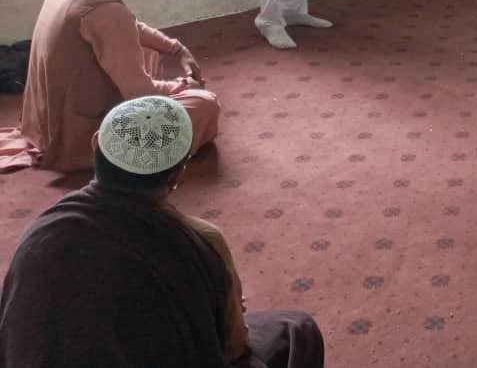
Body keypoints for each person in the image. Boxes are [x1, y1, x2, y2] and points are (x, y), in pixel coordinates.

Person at [0, 96, 324, 367]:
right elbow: (234, 348)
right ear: (178, 173)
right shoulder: (198, 240)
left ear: (95, 143)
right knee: (297, 329)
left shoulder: (40, 232)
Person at [0, 0, 219, 173]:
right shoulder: (105, 10)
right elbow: (140, 92)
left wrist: (176, 48)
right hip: (78, 133)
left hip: (48, 117)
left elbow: (129, 26)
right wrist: (182, 85)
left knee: (149, 51)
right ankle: (113, 155)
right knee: (204, 104)